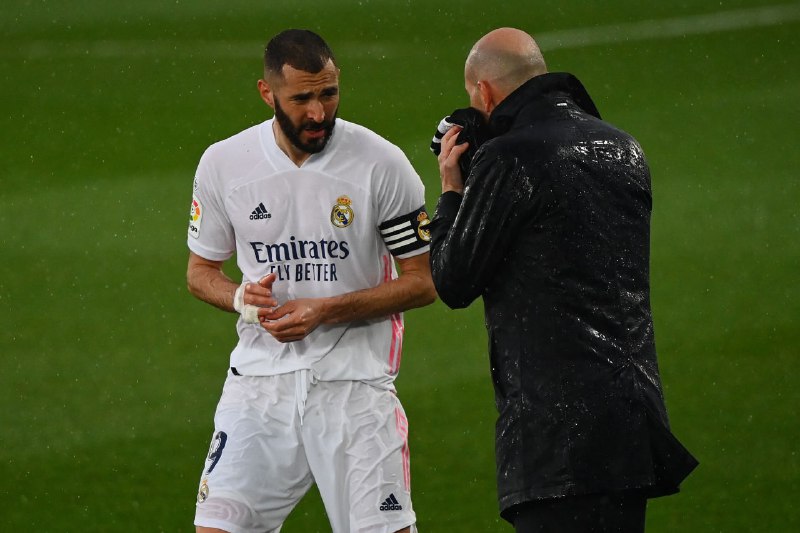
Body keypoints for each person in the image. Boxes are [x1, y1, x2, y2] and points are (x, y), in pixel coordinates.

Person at [429, 28, 698, 532]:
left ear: (484, 93)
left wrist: (452, 190)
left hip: (556, 435)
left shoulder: (510, 158)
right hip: (630, 422)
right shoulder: (623, 148)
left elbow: (452, 280)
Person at [186, 29, 435, 533]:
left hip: (355, 389)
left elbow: (423, 282)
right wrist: (241, 299)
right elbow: (200, 273)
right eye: (301, 98)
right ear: (267, 93)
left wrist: (325, 310)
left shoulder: (382, 164)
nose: (318, 112)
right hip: (258, 386)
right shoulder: (224, 164)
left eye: (329, 93)